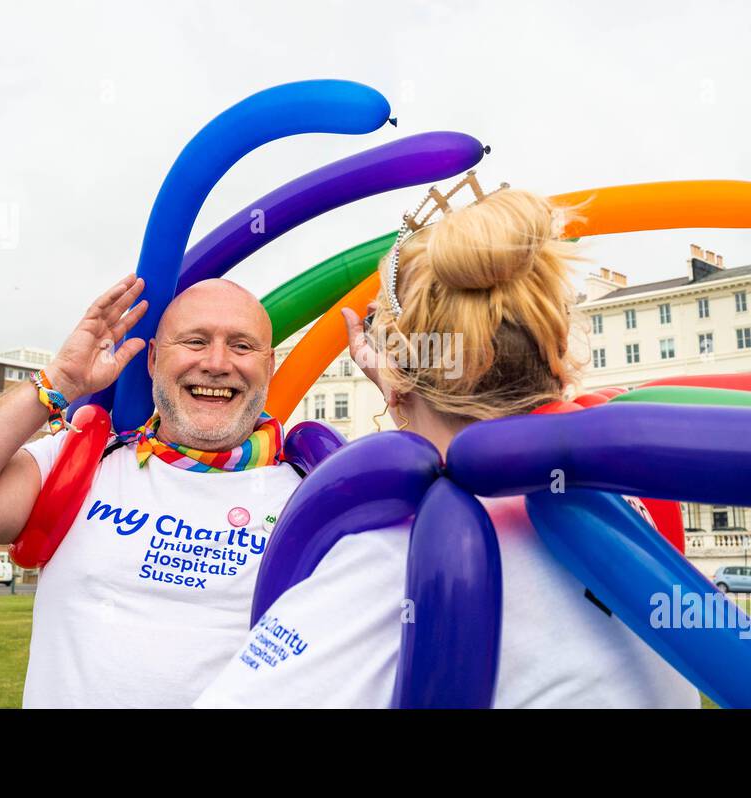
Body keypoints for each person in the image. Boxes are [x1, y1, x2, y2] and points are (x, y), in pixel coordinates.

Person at [196, 178, 699, 708]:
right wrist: (408, 385)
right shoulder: (623, 516)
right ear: (554, 365)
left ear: (401, 374)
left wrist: (404, 392)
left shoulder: (397, 556)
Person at [0, 275, 302, 707]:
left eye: (242, 346)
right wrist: (57, 380)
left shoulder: (310, 493)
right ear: (153, 359)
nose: (216, 363)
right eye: (194, 341)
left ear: (269, 367)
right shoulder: (82, 459)